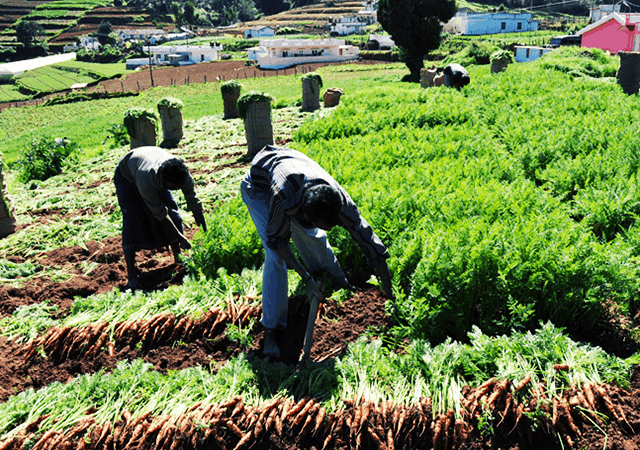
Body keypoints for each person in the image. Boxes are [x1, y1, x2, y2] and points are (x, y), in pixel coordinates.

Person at [241, 145, 393, 358]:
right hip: (260, 188)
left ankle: (338, 287)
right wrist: (306, 278)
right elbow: (278, 241)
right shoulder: (285, 199)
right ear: (304, 213)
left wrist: (389, 294)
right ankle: (271, 331)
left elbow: (370, 243)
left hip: (292, 168)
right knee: (275, 256)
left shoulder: (340, 203)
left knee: (316, 238)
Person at [114, 146, 207, 289]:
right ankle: (132, 276)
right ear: (165, 181)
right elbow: (161, 214)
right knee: (133, 220)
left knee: (174, 214)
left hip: (149, 160)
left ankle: (179, 260)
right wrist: (181, 237)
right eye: (174, 187)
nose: (177, 189)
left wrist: (205, 231)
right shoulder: (147, 179)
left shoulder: (183, 175)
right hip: (127, 175)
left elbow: (193, 202)